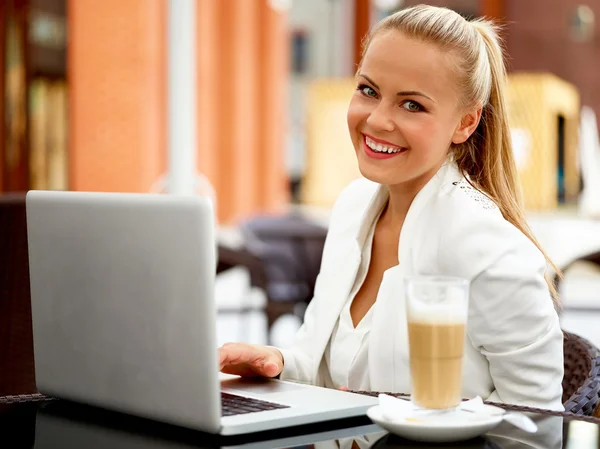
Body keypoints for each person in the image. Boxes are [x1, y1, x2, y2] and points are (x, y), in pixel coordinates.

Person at [219, 4, 564, 410]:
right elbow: (329, 371)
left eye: (412, 104)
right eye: (368, 90)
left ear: (465, 123)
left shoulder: (485, 246)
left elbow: (538, 422)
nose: (377, 120)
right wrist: (278, 365)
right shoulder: (353, 208)